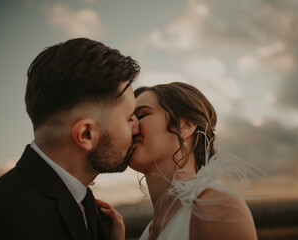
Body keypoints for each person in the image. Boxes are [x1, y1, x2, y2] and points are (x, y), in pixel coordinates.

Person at [0, 38, 137, 240]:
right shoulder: (1, 218)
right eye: (129, 118)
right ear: (86, 134)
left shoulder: (90, 207)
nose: (136, 127)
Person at [102, 82, 258, 239]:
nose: (132, 127)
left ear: (186, 125)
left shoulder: (216, 207)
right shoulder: (149, 231)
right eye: (129, 119)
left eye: (142, 115)